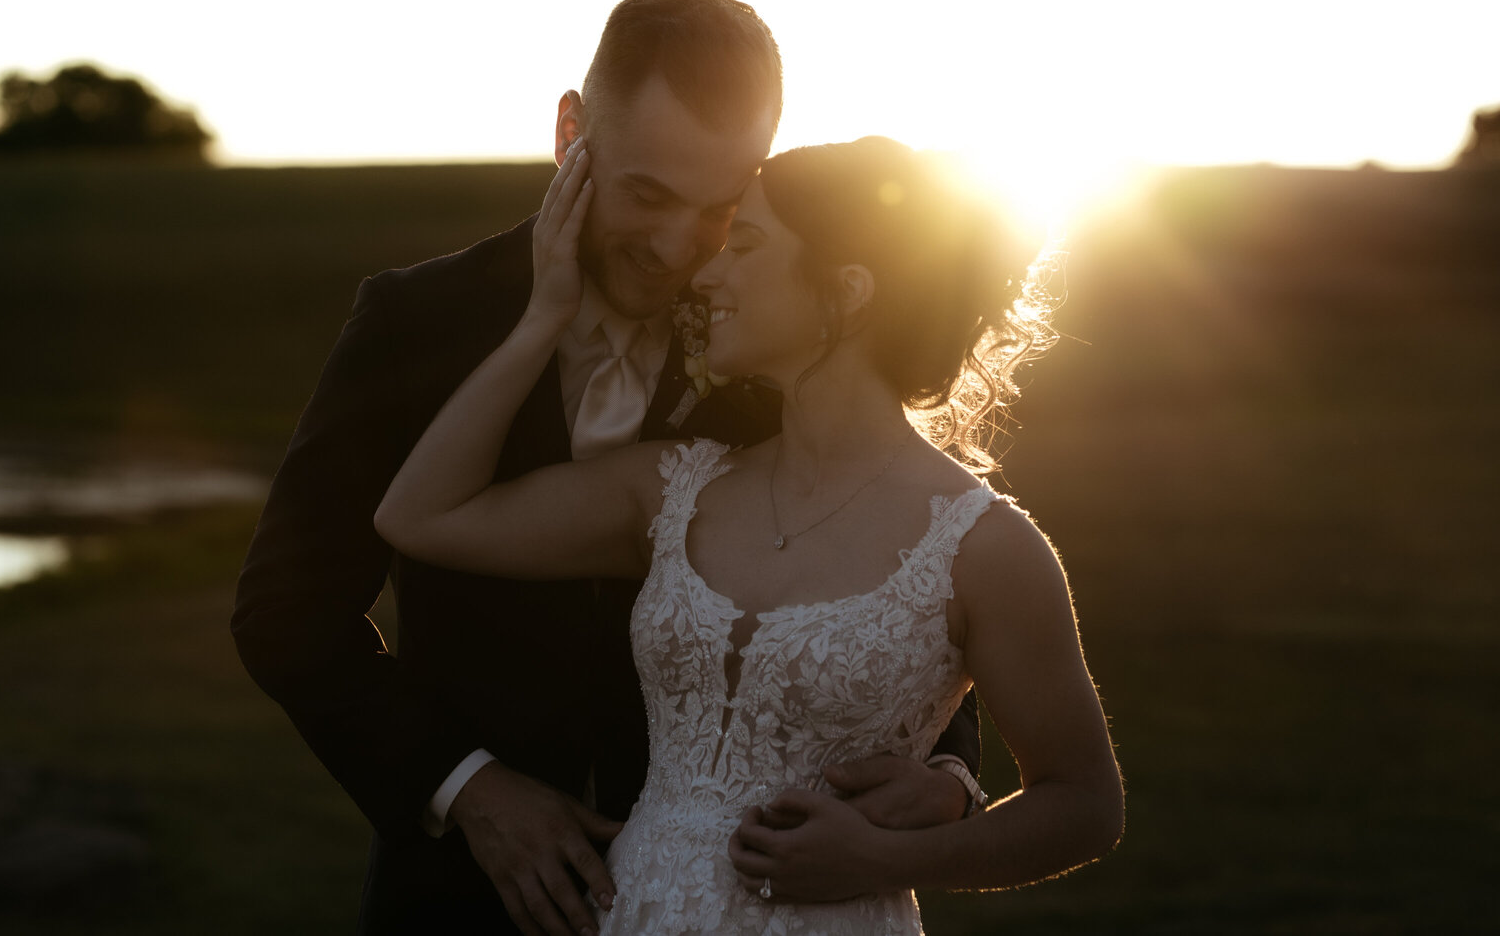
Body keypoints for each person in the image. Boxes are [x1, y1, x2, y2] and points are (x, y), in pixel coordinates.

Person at [231, 0, 983, 935]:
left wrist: (948, 771)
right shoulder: (417, 324)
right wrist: (469, 790)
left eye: (718, 207)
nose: (678, 248)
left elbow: (890, 566)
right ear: (571, 132)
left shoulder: (775, 337)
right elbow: (285, 613)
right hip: (462, 894)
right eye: (647, 194)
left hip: (740, 890)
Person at [375, 135, 1125, 932]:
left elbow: (1084, 804)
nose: (705, 272)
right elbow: (421, 515)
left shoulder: (987, 548)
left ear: (847, 292)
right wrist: (542, 317)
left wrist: (888, 861)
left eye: (745, 243)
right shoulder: (671, 489)